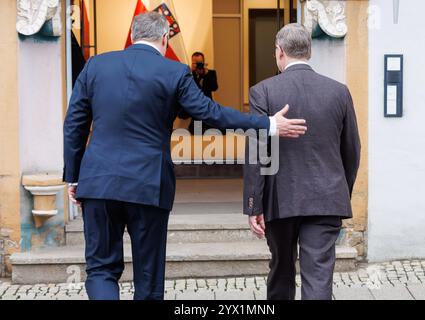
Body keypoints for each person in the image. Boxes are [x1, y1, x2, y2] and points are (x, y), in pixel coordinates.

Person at [63, 12, 307, 300]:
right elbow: (212, 114)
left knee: (101, 270)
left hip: (99, 182)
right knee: (148, 275)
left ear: (133, 34)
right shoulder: (174, 72)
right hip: (148, 185)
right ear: (165, 38)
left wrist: (74, 176)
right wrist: (267, 124)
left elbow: (74, 124)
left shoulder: (95, 66)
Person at [243, 24, 361, 300]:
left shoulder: (263, 92)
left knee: (281, 270)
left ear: (279, 52)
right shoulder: (338, 91)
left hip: (279, 200)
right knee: (319, 275)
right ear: (309, 51)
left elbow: (257, 153)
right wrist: (340, 191)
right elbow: (352, 150)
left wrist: (254, 204)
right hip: (326, 198)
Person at [178, 52, 221, 134]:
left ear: (204, 62)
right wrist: (190, 73)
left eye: (199, 63)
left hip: (208, 108)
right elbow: (187, 88)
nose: (198, 65)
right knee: (197, 133)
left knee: (211, 133)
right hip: (195, 110)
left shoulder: (211, 73)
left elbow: (214, 87)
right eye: (195, 63)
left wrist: (206, 74)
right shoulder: (189, 75)